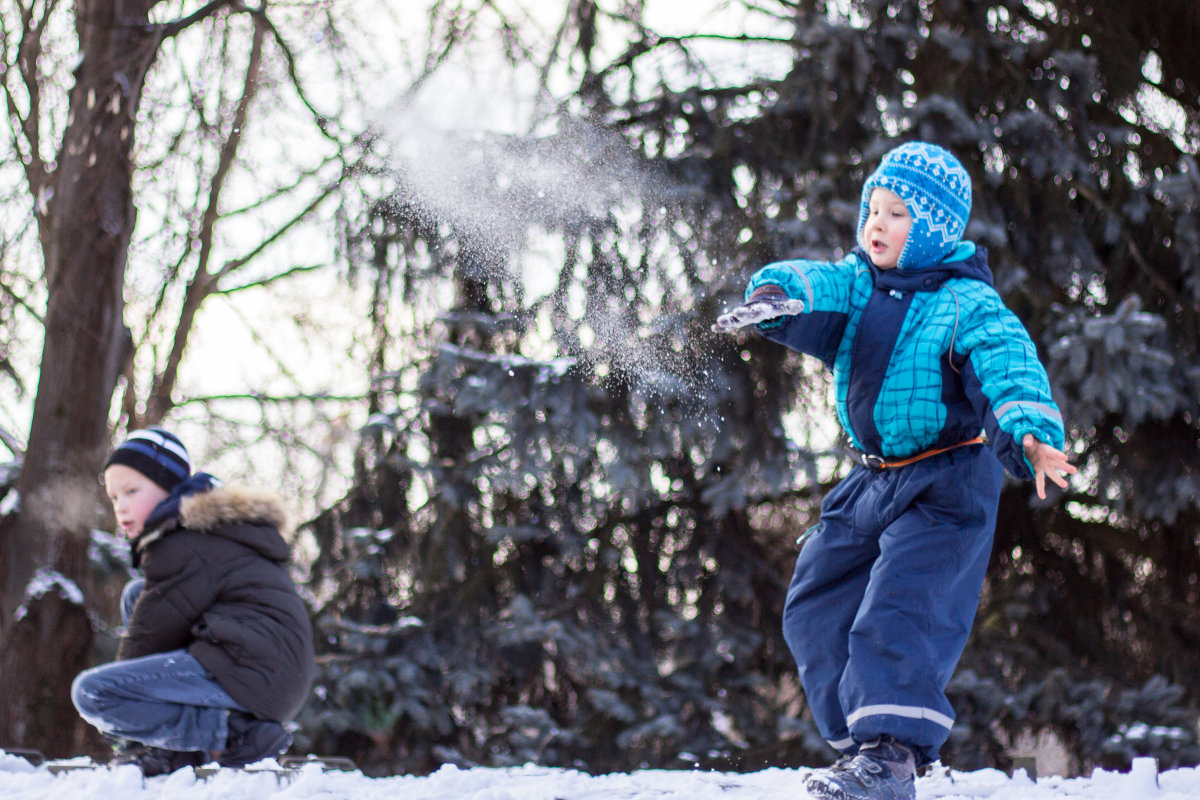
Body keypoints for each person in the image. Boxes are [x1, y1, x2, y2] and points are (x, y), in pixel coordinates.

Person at [714, 142, 1075, 800]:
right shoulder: (859, 286)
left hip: (947, 483)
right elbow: (816, 283)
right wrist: (775, 295)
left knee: (900, 609)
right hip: (873, 479)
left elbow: (1006, 366)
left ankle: (890, 756)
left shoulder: (966, 304)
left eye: (898, 214)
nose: (876, 224)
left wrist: (1031, 435)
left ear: (935, 228)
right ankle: (868, 747)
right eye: (872, 209)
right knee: (814, 607)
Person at [71, 427, 316, 776]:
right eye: (113, 497)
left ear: (170, 488)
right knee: (136, 595)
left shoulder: (183, 541)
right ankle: (179, 752)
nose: (121, 506)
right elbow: (158, 623)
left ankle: (235, 735)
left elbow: (148, 639)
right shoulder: (206, 532)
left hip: (248, 674)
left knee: (94, 694)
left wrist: (129, 731)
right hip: (268, 674)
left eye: (132, 491)